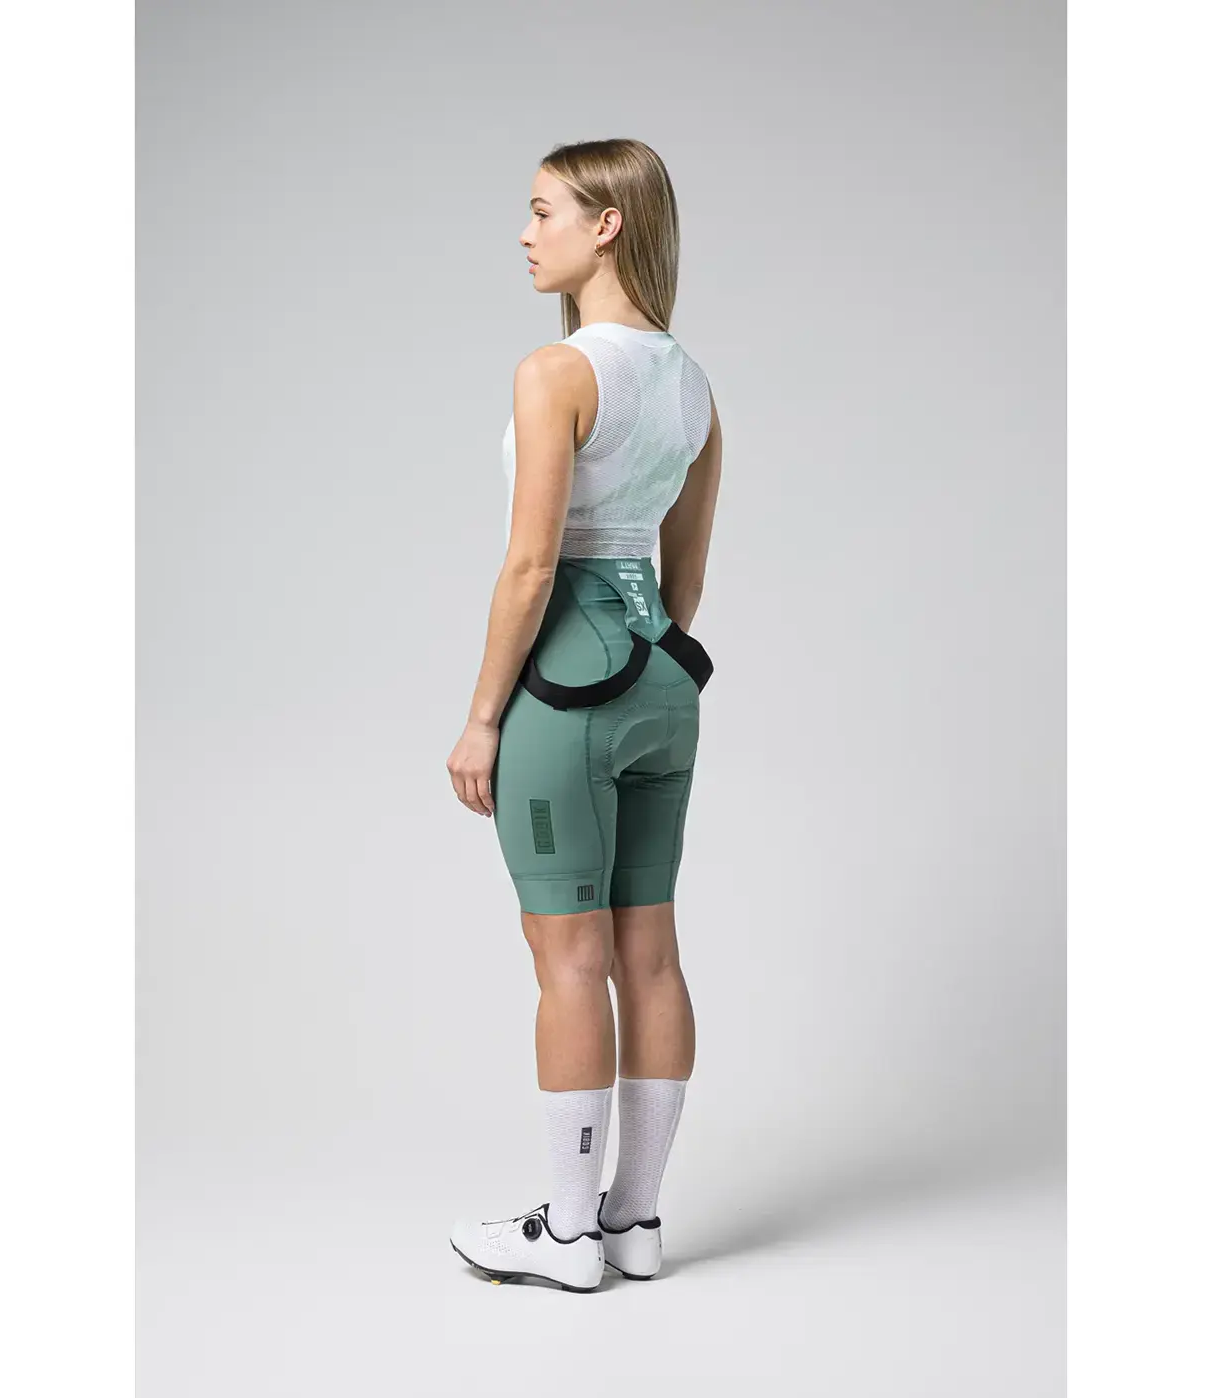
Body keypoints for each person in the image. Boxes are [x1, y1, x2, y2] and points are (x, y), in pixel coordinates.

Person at [445, 138, 722, 1292]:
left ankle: (565, 1235)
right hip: (661, 676)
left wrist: (483, 718)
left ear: (605, 225)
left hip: (566, 680)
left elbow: (529, 566)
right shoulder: (694, 383)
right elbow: (684, 570)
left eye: (542, 210)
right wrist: (643, 661)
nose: (525, 233)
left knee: (567, 958)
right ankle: (634, 1221)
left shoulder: (555, 371)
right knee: (648, 953)